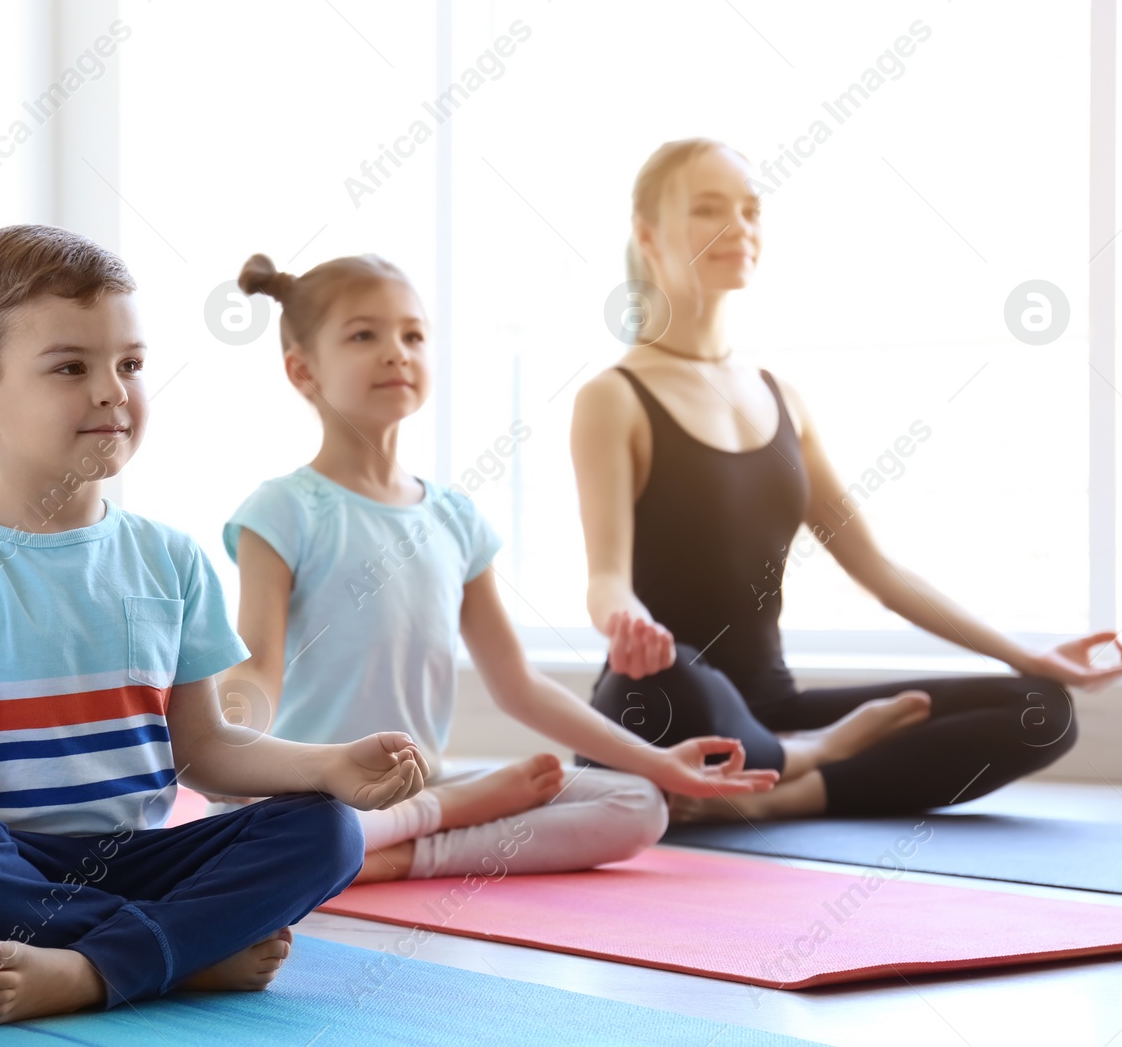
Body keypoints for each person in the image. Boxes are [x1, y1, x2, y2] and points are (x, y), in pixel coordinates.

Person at [0, 225, 429, 1027]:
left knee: (326, 830)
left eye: (130, 365)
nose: (113, 391)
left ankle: (95, 964)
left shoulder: (171, 559)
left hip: (135, 864)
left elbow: (206, 750)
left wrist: (329, 766)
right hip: (1, 875)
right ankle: (175, 955)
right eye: (72, 367)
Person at [570, 138, 1122, 820]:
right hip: (663, 700)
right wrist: (630, 625)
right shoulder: (614, 396)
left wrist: (1032, 657)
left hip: (773, 707)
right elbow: (605, 577)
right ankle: (786, 761)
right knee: (677, 678)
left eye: (751, 209)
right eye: (708, 210)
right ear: (647, 235)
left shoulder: (781, 397)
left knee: (1038, 709)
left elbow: (877, 571)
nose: (741, 227)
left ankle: (772, 795)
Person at [198, 250, 779, 884]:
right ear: (303, 371)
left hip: (417, 790)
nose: (397, 351)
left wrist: (658, 762)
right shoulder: (282, 509)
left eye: (412, 334)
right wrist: (218, 753)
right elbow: (259, 667)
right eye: (364, 335)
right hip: (315, 794)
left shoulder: (454, 517)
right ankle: (406, 827)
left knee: (637, 803)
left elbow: (517, 684)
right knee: (287, 822)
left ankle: (400, 851)